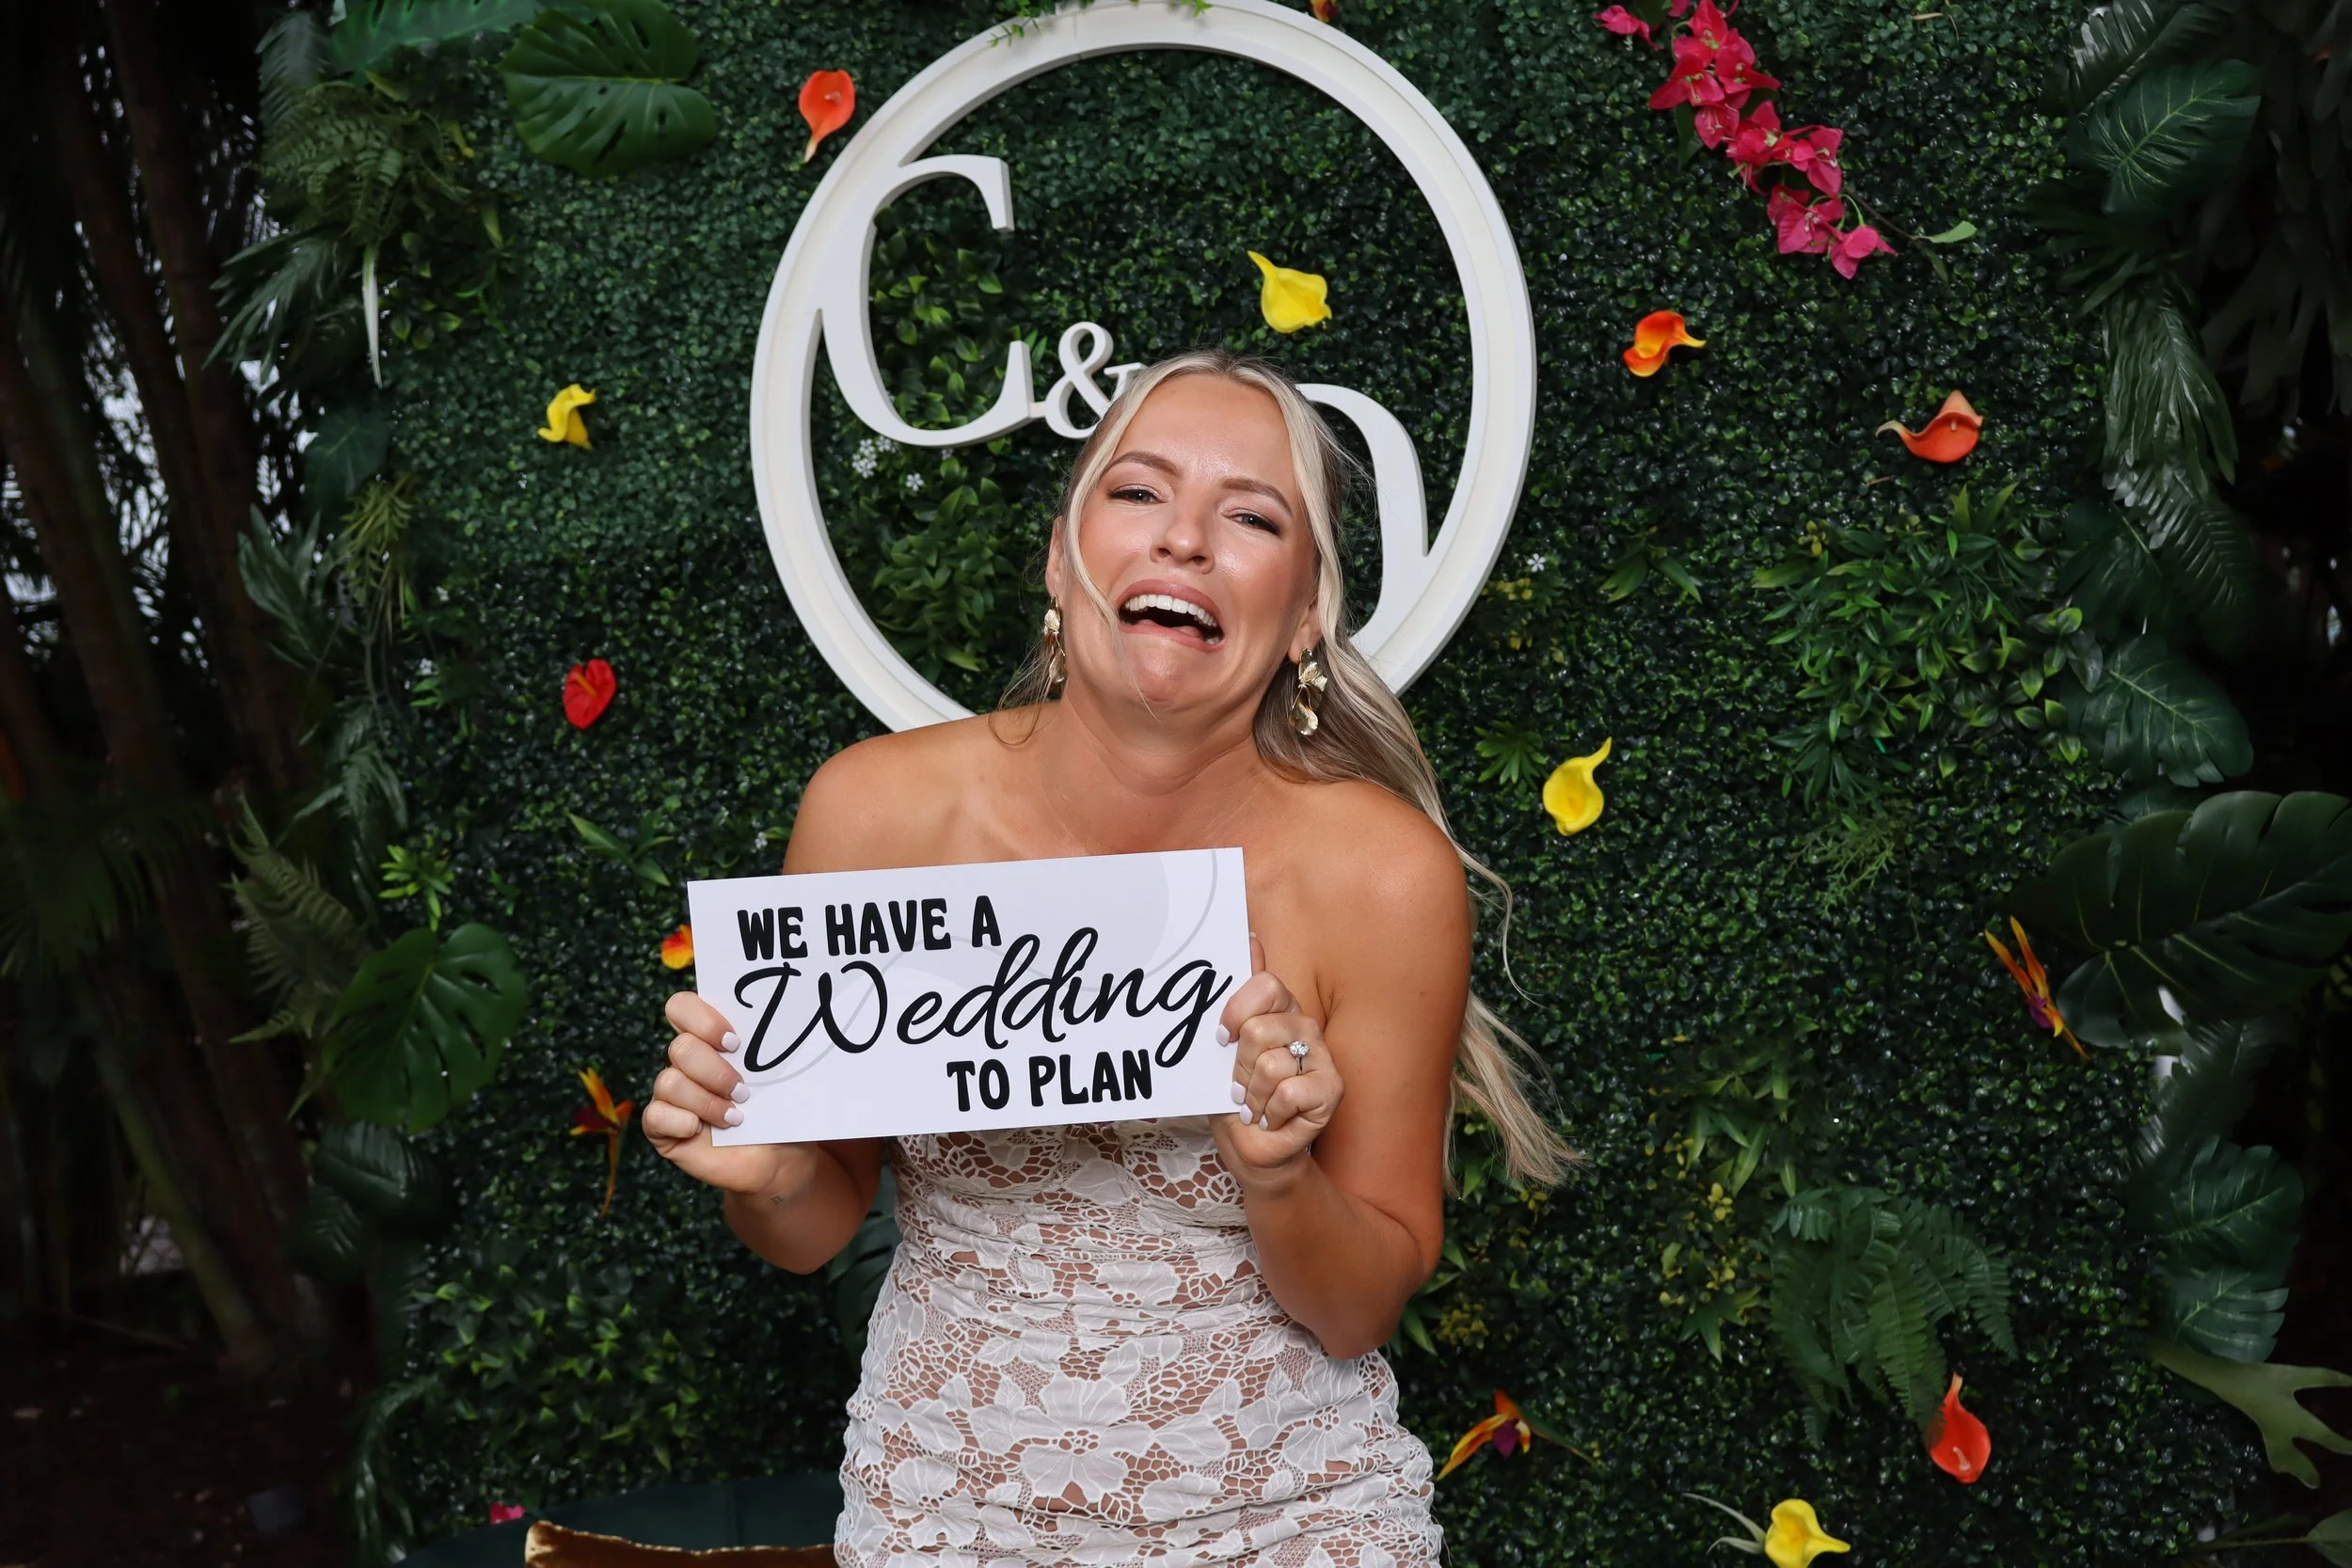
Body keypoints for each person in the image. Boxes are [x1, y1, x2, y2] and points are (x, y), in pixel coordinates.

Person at [644, 351, 1571, 1568]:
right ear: (1059, 558)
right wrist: (764, 1174)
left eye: (1252, 514)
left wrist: (1282, 1173)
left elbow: (1355, 1307)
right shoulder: (876, 817)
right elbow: (813, 1227)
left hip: (1288, 1525)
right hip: (947, 1520)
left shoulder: (1380, 875)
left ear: (1305, 617)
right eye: (1139, 491)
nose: (1186, 537)